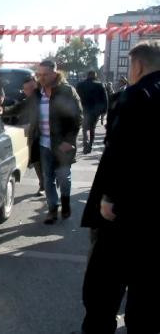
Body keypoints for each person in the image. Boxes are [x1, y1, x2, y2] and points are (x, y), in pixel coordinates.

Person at [80, 40, 160, 334]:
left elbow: (121, 151)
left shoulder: (137, 96)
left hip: (126, 213)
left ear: (138, 65)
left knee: (102, 291)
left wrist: (109, 197)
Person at [26, 60, 82, 224]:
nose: (41, 78)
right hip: (43, 144)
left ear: (54, 73)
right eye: (39, 75)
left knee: (64, 177)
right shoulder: (38, 93)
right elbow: (24, 107)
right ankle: (52, 209)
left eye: (44, 75)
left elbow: (78, 117)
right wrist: (1, 111)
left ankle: (65, 203)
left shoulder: (66, 91)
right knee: (47, 177)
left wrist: (69, 140)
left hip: (62, 144)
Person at [76, 71, 108, 154]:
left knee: (84, 127)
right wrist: (104, 111)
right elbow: (105, 99)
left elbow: (76, 97)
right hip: (95, 111)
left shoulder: (80, 85)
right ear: (95, 76)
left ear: (87, 75)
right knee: (92, 128)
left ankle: (85, 141)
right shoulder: (100, 85)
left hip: (83, 109)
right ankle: (90, 144)